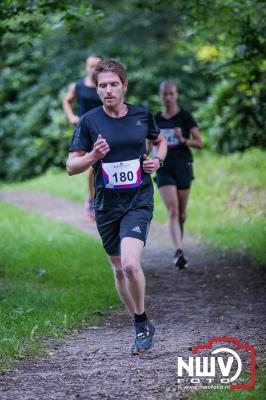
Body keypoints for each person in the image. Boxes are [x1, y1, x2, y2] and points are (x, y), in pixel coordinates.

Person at [66, 59, 167, 355]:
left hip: (138, 200)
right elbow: (72, 166)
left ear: (124, 85)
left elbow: (159, 142)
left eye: (113, 84)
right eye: (102, 86)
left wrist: (156, 161)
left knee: (131, 263)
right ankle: (139, 319)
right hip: (106, 206)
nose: (108, 91)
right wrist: (93, 156)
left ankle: (141, 323)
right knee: (119, 270)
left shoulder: (141, 115)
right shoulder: (89, 121)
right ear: (96, 89)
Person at [154, 81, 203, 269]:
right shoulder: (156, 119)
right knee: (173, 211)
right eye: (165, 94)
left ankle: (178, 246)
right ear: (161, 95)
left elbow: (199, 143)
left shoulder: (185, 117)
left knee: (182, 214)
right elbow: (150, 144)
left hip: (183, 166)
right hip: (164, 168)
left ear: (177, 95)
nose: (168, 98)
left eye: (171, 94)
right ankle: (178, 251)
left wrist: (183, 140)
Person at [63, 54, 103, 222]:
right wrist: (71, 117)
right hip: (85, 130)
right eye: (91, 66)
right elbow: (67, 101)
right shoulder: (78, 86)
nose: (93, 69)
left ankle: (103, 198)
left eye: (97, 66)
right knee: (92, 165)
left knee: (102, 165)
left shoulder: (104, 85)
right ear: (86, 67)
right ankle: (92, 199)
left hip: (103, 128)